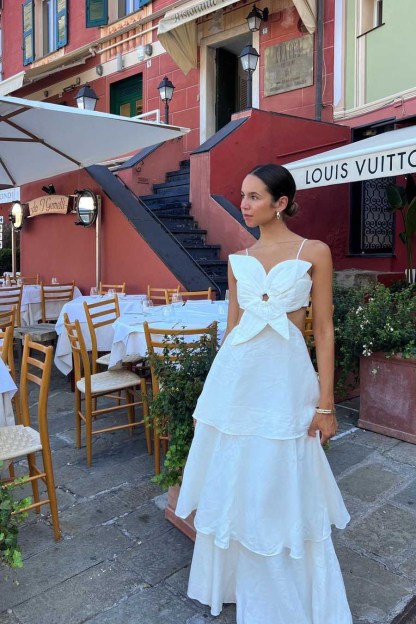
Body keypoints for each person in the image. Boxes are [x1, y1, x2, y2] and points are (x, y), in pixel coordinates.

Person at [175, 164, 352, 624]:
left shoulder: (314, 252)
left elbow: (324, 330)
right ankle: (239, 583)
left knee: (284, 478)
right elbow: (232, 331)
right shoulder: (239, 259)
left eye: (254, 196)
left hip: (287, 385)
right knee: (238, 478)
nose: (244, 204)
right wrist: (212, 400)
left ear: (281, 203)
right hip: (237, 384)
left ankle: (288, 592)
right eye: (242, 195)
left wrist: (327, 404)